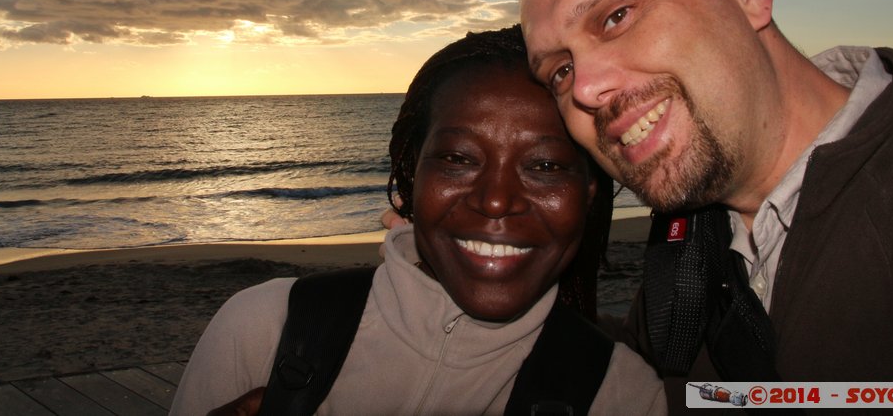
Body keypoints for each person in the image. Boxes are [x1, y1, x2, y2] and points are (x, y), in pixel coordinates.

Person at [516, 0, 893, 407]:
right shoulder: (691, 236)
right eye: (560, 71)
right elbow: (660, 383)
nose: (585, 89)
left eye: (616, 16)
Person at [170, 26, 667, 416]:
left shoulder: (620, 393)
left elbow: (744, 394)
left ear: (589, 191)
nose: (496, 201)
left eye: (545, 166)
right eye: (458, 159)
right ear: (412, 175)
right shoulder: (262, 329)